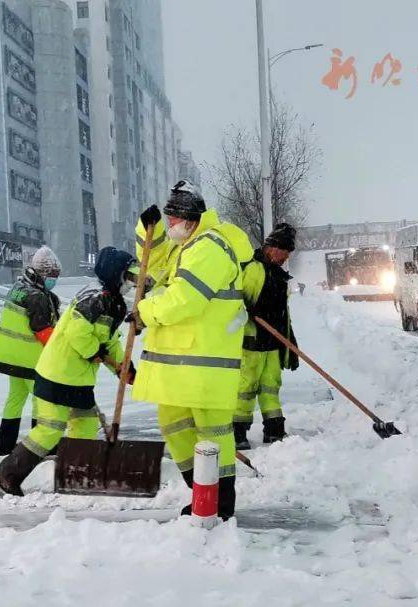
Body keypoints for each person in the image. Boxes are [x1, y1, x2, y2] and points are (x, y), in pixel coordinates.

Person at [131, 181, 254, 520]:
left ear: (190, 219)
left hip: (204, 363)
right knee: (173, 423)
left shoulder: (209, 248)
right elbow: (153, 265)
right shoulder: (188, 245)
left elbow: (185, 299)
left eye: (172, 221)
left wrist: (144, 311)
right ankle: (201, 490)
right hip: (184, 363)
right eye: (167, 221)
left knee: (212, 433)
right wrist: (148, 229)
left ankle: (218, 502)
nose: (170, 227)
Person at [0, 247, 137, 496]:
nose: (131, 283)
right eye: (129, 277)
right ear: (117, 275)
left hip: (77, 379)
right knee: (50, 428)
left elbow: (110, 340)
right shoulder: (95, 299)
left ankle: (76, 475)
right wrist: (95, 353)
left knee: (86, 425)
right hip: (58, 374)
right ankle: (7, 473)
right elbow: (77, 332)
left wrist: (124, 368)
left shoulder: (115, 304)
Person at [0, 246, 62, 455]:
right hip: (30, 358)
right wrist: (59, 350)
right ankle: (40, 446)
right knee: (41, 401)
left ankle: (5, 447)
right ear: (41, 273)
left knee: (15, 399)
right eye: (52, 276)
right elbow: (42, 329)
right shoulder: (37, 297)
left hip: (9, 357)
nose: (54, 280)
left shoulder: (18, 288)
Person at [235, 223, 299, 449]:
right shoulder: (254, 270)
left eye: (288, 254)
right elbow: (236, 304)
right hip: (251, 343)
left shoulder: (279, 275)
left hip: (272, 343)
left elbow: (284, 313)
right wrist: (248, 311)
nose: (285, 257)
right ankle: (237, 432)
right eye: (283, 252)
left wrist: (290, 341)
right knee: (245, 387)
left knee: (271, 386)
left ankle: (274, 429)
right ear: (272, 247)